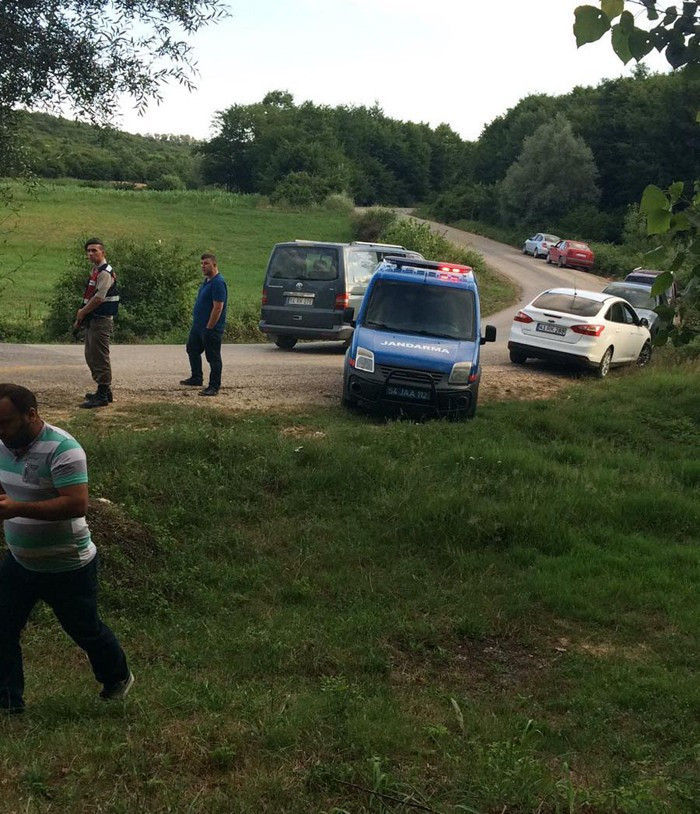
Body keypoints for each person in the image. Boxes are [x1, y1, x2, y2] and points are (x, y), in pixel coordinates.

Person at [0, 384, 133, 713]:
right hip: (19, 561)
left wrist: (17, 508)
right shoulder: (1, 444)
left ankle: (117, 678)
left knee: (85, 630)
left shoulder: (63, 448)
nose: (0, 432)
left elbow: (76, 505)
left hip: (67, 564)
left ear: (31, 415)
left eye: (5, 423)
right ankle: (8, 703)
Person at [74, 238, 119, 409]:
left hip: (101, 319)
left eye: (95, 251)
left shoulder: (105, 273)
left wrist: (83, 312)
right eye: (89, 251)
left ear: (103, 253)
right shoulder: (96, 270)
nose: (91, 254)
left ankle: (102, 394)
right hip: (93, 318)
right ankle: (104, 390)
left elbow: (99, 298)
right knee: (91, 355)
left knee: (99, 356)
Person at [180, 253, 228, 396]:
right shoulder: (207, 281)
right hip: (198, 325)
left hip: (210, 327)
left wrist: (210, 326)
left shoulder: (218, 282)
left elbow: (218, 307)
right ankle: (196, 377)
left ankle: (214, 386)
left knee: (213, 357)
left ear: (214, 264)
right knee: (192, 349)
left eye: (206, 263)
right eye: (201, 264)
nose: (203, 266)